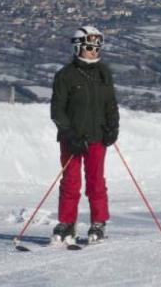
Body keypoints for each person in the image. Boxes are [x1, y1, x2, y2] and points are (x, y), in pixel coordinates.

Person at [50, 25, 120, 245]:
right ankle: (67, 223)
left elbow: (111, 103)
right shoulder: (65, 76)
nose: (94, 51)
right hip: (72, 140)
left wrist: (113, 127)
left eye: (98, 46)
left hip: (97, 137)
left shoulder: (103, 73)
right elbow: (57, 110)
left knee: (96, 181)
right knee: (70, 182)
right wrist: (69, 134)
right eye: (90, 46)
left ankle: (98, 221)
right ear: (78, 47)